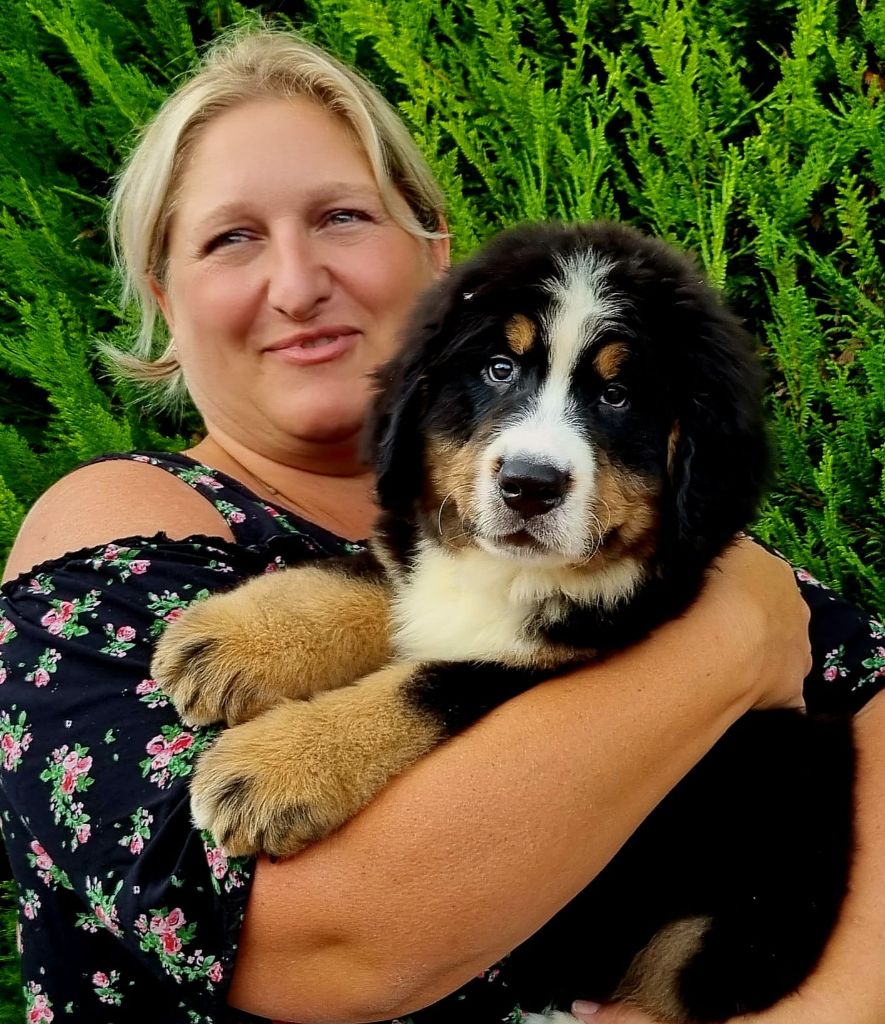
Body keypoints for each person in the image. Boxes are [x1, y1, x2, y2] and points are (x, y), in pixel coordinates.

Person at [0, 26, 882, 1024]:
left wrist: (820, 1011)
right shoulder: (111, 536)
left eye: (341, 216)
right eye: (230, 238)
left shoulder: (612, 512)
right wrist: (733, 637)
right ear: (167, 296)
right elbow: (328, 945)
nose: (297, 284)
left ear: (434, 255)